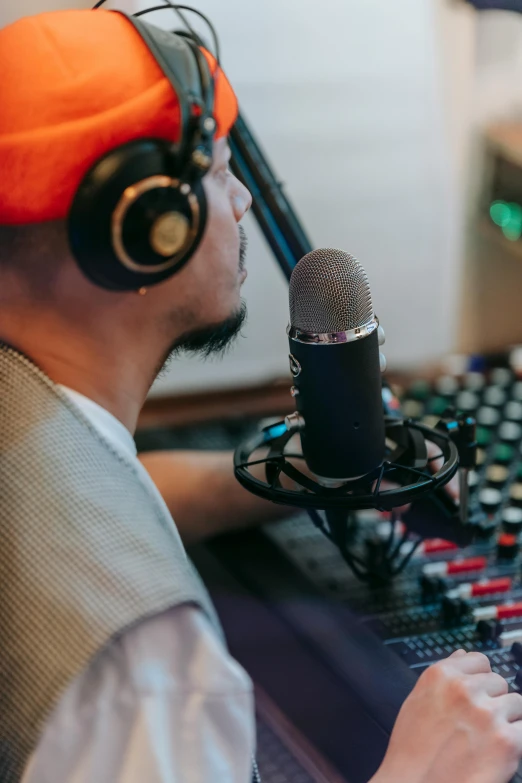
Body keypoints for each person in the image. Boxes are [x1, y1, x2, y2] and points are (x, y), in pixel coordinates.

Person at [1, 7, 522, 783]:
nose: (242, 199)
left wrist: (304, 473)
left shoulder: (32, 413)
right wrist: (418, 770)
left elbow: (99, 504)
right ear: (147, 229)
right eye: (216, 171)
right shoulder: (150, 670)